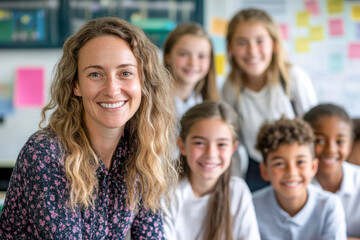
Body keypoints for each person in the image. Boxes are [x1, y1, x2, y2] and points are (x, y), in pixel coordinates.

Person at [0, 17, 178, 239]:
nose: (112, 89)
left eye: (125, 73)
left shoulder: (141, 150)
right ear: (76, 85)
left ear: (143, 82)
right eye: (95, 74)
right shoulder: (46, 153)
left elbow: (150, 234)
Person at [222, 8, 317, 192]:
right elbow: (232, 140)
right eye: (242, 42)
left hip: (294, 169)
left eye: (260, 41)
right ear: (230, 49)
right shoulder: (231, 88)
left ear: (274, 44)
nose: (252, 50)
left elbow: (313, 129)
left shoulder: (292, 78)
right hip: (256, 171)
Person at [163, 101, 260, 240]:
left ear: (233, 149)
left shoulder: (238, 191)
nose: (210, 154)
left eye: (221, 144)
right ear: (182, 146)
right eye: (199, 143)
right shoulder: (167, 193)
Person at [253, 117, 347, 240]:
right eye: (279, 164)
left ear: (313, 167)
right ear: (264, 171)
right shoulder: (251, 206)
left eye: (300, 162)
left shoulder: (329, 206)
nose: (291, 172)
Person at [304, 104, 360, 239]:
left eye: (340, 141)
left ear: (350, 145)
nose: (330, 149)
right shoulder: (297, 184)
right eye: (320, 140)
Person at [163, 23, 220, 120]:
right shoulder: (151, 101)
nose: (193, 63)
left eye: (201, 56)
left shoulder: (211, 102)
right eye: (183, 54)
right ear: (167, 57)